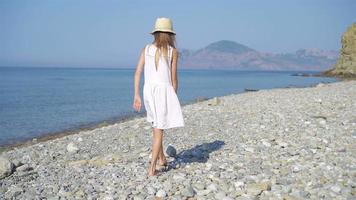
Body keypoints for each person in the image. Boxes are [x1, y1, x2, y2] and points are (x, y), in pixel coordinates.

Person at [133, 17, 185, 176]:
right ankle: (151, 168)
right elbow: (174, 79)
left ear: (155, 33)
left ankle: (162, 158)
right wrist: (172, 96)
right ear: (170, 35)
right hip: (163, 92)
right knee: (159, 130)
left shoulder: (146, 49)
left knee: (156, 126)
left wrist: (136, 95)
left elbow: (138, 73)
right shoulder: (172, 52)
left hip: (148, 91)